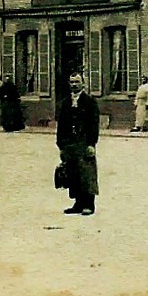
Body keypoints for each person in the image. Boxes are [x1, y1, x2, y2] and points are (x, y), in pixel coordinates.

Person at [56, 72, 99, 216]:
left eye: (77, 82)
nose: (74, 84)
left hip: (84, 142)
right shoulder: (65, 103)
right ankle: (78, 203)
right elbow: (61, 125)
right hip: (70, 144)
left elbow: (94, 124)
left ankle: (88, 204)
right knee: (73, 174)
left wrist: (91, 144)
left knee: (86, 173)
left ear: (83, 83)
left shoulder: (89, 102)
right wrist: (61, 145)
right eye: (72, 82)